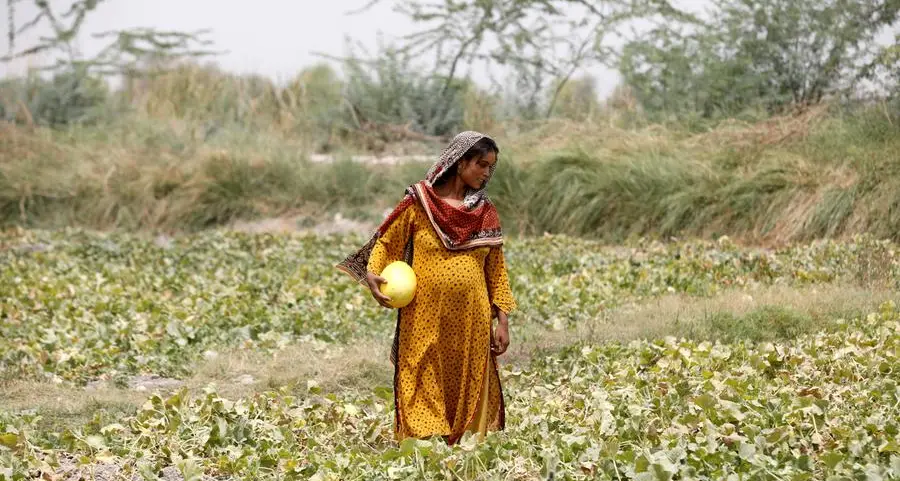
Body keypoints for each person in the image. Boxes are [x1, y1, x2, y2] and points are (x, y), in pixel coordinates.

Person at [337, 131, 517, 446]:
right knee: (420, 370)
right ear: (461, 162)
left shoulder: (485, 212)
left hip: (472, 318)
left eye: (491, 167)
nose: (487, 173)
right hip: (423, 315)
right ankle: (425, 441)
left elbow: (496, 269)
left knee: (464, 376)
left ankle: (457, 441)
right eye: (482, 165)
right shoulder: (420, 203)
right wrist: (372, 274)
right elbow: (387, 241)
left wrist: (502, 319)